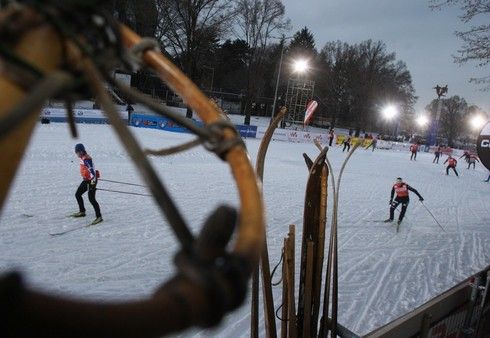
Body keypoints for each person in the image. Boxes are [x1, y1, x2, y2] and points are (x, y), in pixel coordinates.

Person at [72, 143, 103, 225]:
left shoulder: (86, 159)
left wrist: (93, 184)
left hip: (91, 180)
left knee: (91, 198)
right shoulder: (83, 157)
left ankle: (99, 217)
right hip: (86, 180)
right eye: (76, 152)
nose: (77, 154)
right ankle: (82, 212)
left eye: (77, 152)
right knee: (78, 194)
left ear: (81, 151)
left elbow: (92, 171)